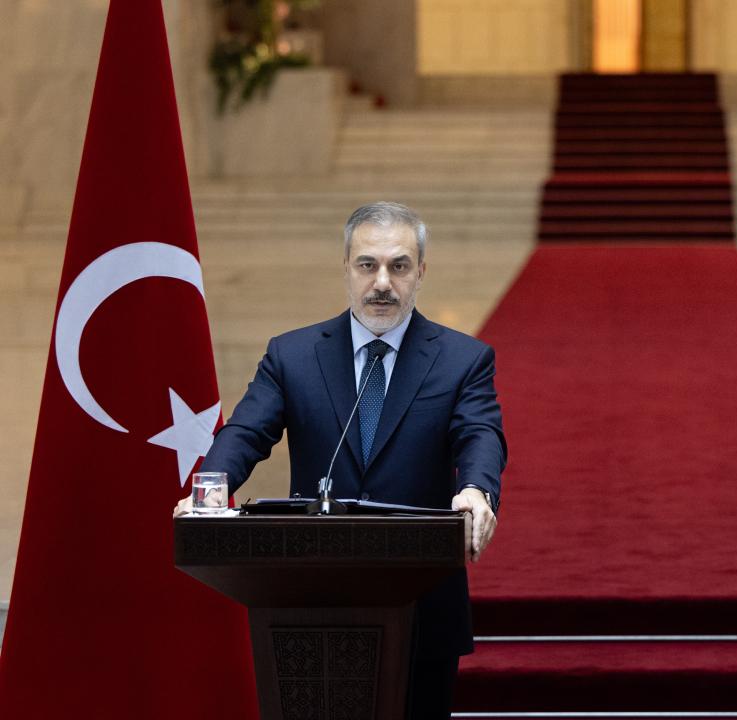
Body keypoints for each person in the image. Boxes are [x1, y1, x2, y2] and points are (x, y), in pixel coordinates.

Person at [175, 201, 506, 718]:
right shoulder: (293, 355)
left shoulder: (463, 360)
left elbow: (480, 433)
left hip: (421, 606)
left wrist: (477, 490)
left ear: (421, 272)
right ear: (346, 268)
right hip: (308, 600)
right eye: (367, 264)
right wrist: (211, 486)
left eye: (399, 266)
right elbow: (246, 431)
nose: (382, 283)